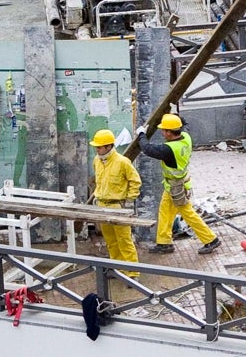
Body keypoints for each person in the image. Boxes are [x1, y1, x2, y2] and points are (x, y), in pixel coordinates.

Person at [138, 113, 221, 254]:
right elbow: (184, 123)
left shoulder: (169, 150)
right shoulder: (185, 137)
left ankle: (210, 239)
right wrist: (170, 115)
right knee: (165, 212)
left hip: (176, 188)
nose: (162, 132)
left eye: (164, 130)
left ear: (169, 133)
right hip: (176, 185)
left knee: (188, 214)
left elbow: (148, 149)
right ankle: (164, 243)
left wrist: (141, 134)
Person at [88, 130, 142, 277]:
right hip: (102, 205)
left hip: (118, 206)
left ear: (108, 146)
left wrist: (130, 200)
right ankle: (117, 269)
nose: (97, 150)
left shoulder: (122, 162)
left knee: (124, 240)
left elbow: (135, 181)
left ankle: (132, 273)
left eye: (99, 147)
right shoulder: (97, 161)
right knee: (111, 240)